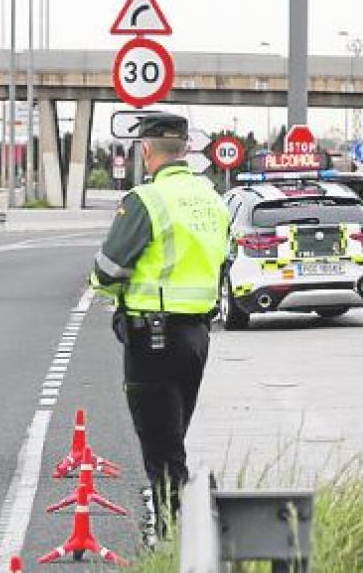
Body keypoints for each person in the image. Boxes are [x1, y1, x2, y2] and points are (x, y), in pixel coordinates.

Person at [89, 113, 230, 538]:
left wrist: (109, 290)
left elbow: (108, 269)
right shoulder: (212, 198)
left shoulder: (147, 200)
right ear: (185, 149)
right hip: (197, 336)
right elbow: (224, 259)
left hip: (152, 336)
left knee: (161, 446)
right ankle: (184, 530)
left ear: (146, 150)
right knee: (174, 436)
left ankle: (175, 539)